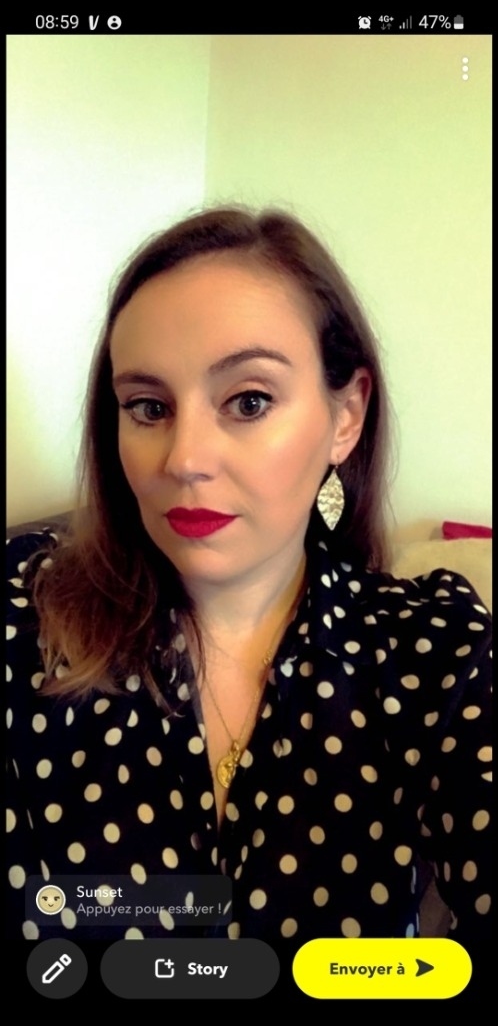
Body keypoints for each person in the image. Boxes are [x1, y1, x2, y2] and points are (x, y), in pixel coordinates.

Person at [7, 206, 491, 948]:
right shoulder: (26, 610)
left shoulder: (433, 647)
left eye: (249, 401)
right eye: (148, 407)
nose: (184, 459)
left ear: (345, 416)